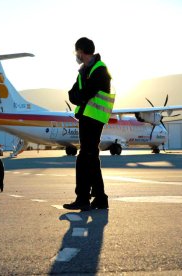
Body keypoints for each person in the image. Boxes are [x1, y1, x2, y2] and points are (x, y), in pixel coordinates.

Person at [64, 37, 115, 211]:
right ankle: (100, 198)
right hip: (86, 117)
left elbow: (85, 93)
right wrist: (80, 95)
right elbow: (72, 94)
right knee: (91, 157)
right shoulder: (84, 71)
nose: (76, 55)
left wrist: (80, 95)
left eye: (76, 51)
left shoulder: (99, 70)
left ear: (81, 51)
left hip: (94, 118)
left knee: (84, 157)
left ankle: (83, 198)